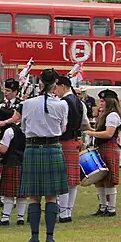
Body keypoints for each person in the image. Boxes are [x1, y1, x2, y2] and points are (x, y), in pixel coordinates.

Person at [18, 69, 69, 242]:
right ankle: (50, 237)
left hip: (32, 148)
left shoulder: (28, 103)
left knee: (33, 197)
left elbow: (23, 128)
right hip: (52, 148)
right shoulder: (62, 105)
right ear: (55, 84)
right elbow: (63, 128)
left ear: (40, 83)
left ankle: (34, 237)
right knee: (51, 197)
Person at [54, 76, 89, 223]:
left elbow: (60, 125)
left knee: (62, 179)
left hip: (62, 141)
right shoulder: (81, 104)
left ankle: (62, 213)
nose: (55, 91)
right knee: (73, 181)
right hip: (74, 142)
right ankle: (68, 211)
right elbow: (84, 123)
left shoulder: (62, 103)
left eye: (56, 88)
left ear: (63, 86)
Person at [84, 89, 121, 217]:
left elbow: (109, 133)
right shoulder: (105, 114)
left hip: (109, 148)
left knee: (109, 180)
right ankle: (103, 206)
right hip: (102, 148)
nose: (101, 103)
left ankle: (111, 209)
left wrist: (92, 133)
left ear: (109, 101)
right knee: (99, 180)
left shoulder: (113, 115)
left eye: (103, 101)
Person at [0, 79, 24, 208]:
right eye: (6, 90)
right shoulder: (1, 106)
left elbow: (17, 119)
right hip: (3, 140)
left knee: (13, 170)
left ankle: (14, 198)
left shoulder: (21, 105)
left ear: (15, 92)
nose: (6, 93)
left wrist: (4, 123)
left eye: (9, 91)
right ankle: (1, 198)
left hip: (17, 141)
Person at [0, 108, 27, 226]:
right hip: (25, 163)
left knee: (9, 194)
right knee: (22, 194)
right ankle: (20, 218)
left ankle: (5, 218)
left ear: (19, 116)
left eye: (15, 113)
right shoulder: (29, 129)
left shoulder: (10, 131)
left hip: (11, 163)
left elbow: (4, 149)